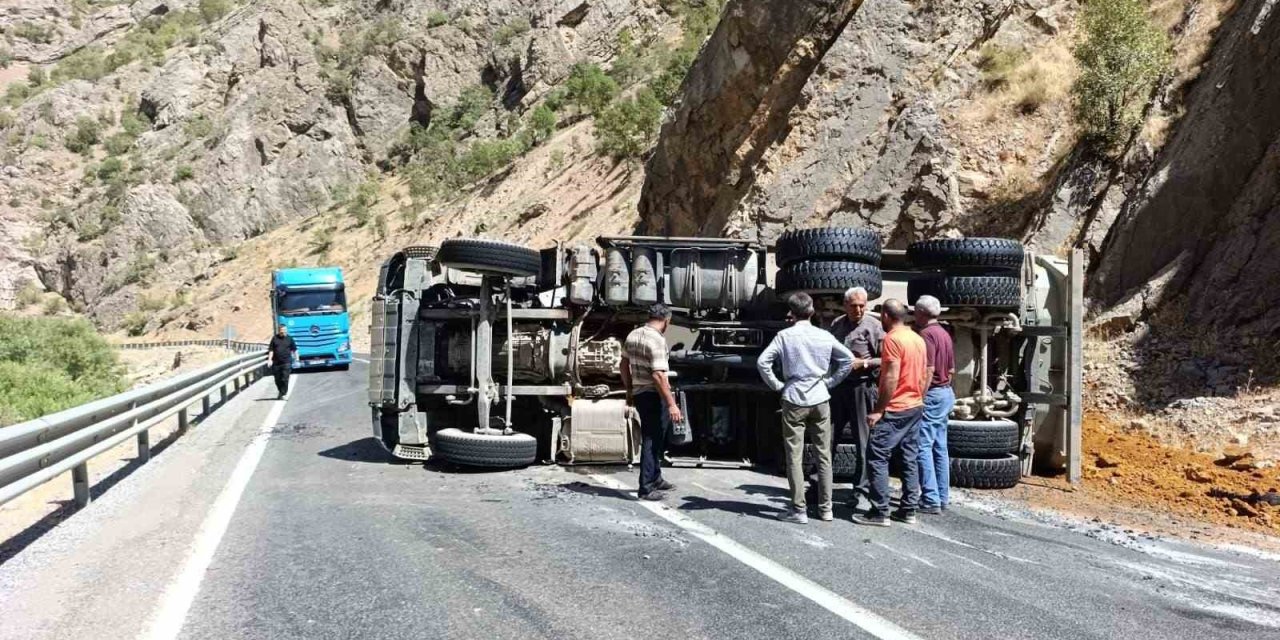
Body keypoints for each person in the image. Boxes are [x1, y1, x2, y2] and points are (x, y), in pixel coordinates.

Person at [757, 292, 854, 524]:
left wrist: (778, 385)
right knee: (824, 455)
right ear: (811, 312)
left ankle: (798, 509)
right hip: (820, 398)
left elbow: (763, 362)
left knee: (794, 455)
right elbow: (848, 360)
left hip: (793, 398)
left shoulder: (784, 336)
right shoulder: (824, 335)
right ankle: (826, 508)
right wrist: (829, 382)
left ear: (791, 313)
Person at [853, 298, 928, 527]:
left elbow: (891, 377)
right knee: (909, 457)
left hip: (896, 408)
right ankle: (908, 509)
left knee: (876, 455)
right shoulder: (917, 338)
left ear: (885, 315)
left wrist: (878, 410)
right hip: (915, 405)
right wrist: (919, 398)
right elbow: (925, 374)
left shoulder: (892, 340)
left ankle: (880, 511)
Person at [828, 286, 884, 508]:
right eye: (854, 306)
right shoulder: (837, 325)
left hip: (862, 388)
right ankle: (819, 485)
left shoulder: (874, 326)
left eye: (862, 305)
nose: (859, 310)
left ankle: (860, 491)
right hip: (839, 388)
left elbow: (887, 359)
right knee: (828, 437)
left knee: (863, 442)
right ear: (845, 306)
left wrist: (866, 363)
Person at [621, 304, 683, 501]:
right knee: (652, 438)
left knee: (657, 434)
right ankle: (646, 487)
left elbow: (623, 364)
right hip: (654, 394)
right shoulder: (656, 340)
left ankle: (656, 477)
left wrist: (630, 389)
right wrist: (672, 403)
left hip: (640, 393)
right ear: (667, 320)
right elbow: (658, 376)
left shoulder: (633, 334)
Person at [914, 295, 956, 515]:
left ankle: (930, 498)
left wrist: (920, 396)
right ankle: (942, 496)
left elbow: (928, 368)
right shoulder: (945, 334)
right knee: (940, 447)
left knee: (922, 446)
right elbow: (951, 370)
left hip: (933, 394)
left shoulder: (927, 334)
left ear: (921, 312)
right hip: (947, 393)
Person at [267, 324, 297, 400]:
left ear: (286, 330)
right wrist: (270, 360)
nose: (283, 332)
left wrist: (297, 358)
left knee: (285, 378)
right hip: (276, 363)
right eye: (281, 330)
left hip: (286, 362)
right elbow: (271, 350)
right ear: (279, 330)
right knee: (277, 379)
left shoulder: (290, 339)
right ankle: (281, 392)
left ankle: (283, 393)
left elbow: (294, 349)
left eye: (284, 330)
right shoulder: (274, 338)